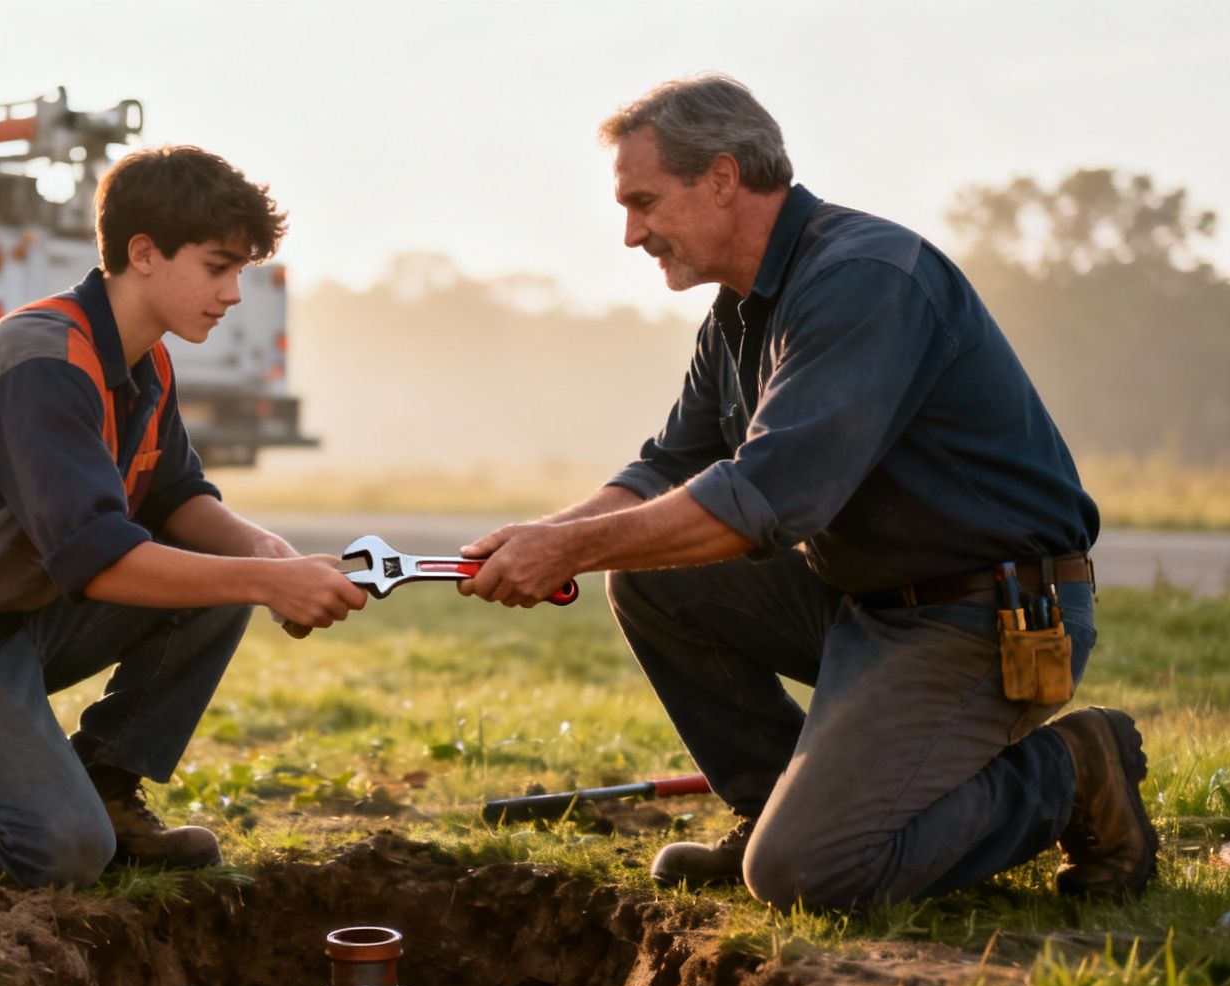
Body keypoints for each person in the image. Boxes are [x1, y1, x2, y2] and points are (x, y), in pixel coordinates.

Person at [455, 74, 1155, 908]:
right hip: (868, 604)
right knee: (646, 578)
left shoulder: (866, 279)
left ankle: (1071, 769)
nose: (632, 233)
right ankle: (770, 807)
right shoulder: (740, 312)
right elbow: (666, 468)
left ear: (721, 177)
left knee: (807, 874)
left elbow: (769, 500)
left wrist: (563, 549)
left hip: (984, 618)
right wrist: (538, 535)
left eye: (643, 202)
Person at [0, 146, 367, 887]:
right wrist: (270, 583)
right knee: (64, 854)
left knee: (227, 586)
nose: (234, 292)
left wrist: (269, 557)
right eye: (218, 266)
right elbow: (101, 559)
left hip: (18, 621)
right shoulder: (42, 364)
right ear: (143, 253)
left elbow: (175, 497)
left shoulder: (146, 361)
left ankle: (109, 785)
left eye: (241, 270)